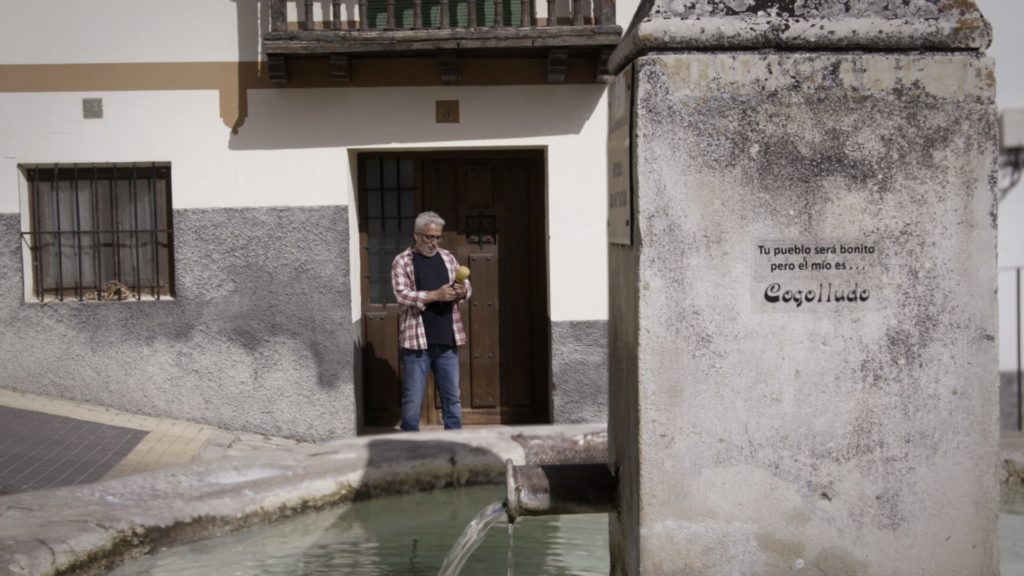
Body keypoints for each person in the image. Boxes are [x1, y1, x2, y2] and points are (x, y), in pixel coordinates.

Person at [391, 211, 471, 431]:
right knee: (412, 401)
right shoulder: (402, 261)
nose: (434, 242)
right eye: (429, 237)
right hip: (417, 344)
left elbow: (468, 288)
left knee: (452, 399)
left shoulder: (448, 257)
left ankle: (455, 448)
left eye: (437, 237)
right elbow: (401, 294)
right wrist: (434, 295)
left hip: (447, 341)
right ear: (417, 235)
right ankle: (411, 449)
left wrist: (462, 291)